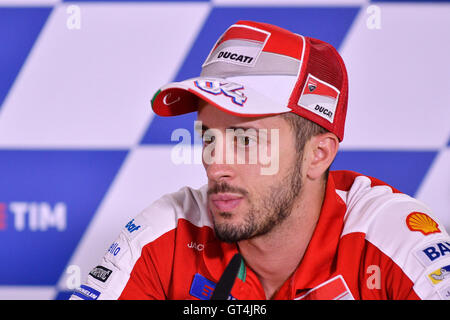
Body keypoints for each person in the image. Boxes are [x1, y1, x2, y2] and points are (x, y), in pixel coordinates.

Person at [70, 20, 450, 300]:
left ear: (317, 155)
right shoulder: (166, 234)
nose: (216, 165)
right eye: (207, 137)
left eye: (246, 139)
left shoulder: (390, 239)